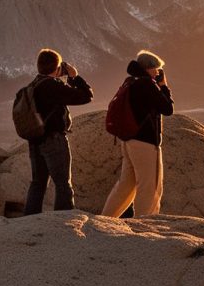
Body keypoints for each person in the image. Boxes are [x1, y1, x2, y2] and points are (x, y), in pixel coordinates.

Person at [101, 50, 174, 217]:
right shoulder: (147, 85)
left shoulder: (131, 81)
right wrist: (163, 87)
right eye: (156, 69)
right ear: (148, 68)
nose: (158, 72)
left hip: (128, 141)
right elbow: (167, 109)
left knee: (126, 185)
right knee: (149, 186)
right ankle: (146, 224)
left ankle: (105, 218)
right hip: (145, 143)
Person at [23, 49, 94, 215]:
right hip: (54, 140)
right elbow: (86, 96)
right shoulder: (52, 86)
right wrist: (74, 77)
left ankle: (29, 220)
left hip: (35, 141)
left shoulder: (33, 85)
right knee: (63, 183)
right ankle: (63, 221)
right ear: (56, 69)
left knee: (38, 183)